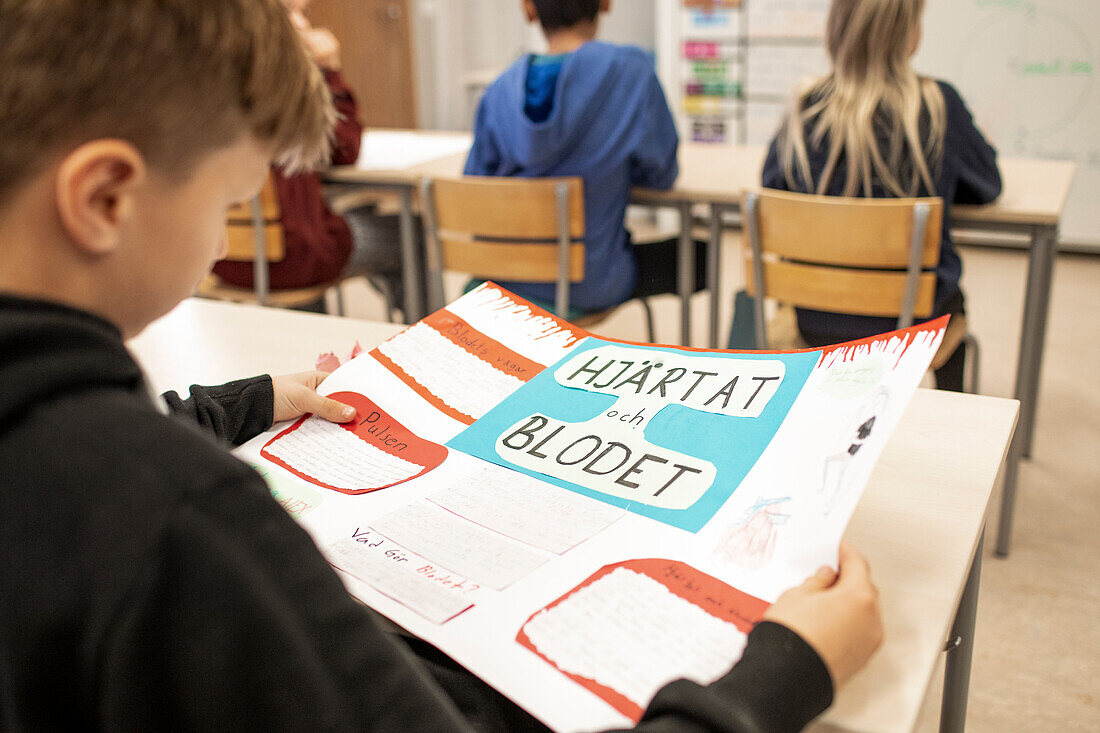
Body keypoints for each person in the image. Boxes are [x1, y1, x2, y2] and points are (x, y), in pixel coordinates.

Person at [0, 1, 882, 730]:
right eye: (233, 201)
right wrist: (781, 678)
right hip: (602, 278)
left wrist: (248, 400)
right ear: (104, 198)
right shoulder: (185, 526)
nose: (227, 237)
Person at [760, 0, 1001, 391]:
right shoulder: (939, 105)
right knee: (952, 302)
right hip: (910, 328)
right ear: (909, 34)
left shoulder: (804, 105)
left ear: (835, 29)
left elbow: (773, 192)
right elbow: (988, 186)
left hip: (814, 320)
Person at [464, 0, 707, 316]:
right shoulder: (632, 73)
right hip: (589, 284)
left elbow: (473, 192)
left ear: (528, 9)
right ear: (605, 4)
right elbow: (662, 174)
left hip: (502, 282)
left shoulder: (497, 91)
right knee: (702, 257)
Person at [210, 0, 366, 295]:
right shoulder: (285, 84)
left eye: (304, 13)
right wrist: (330, 71)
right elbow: (343, 150)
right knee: (400, 236)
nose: (302, 25)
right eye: (286, 12)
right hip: (294, 259)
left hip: (223, 259)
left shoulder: (211, 78)